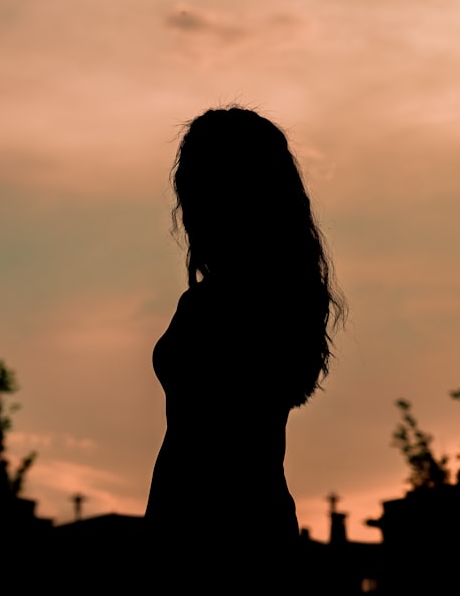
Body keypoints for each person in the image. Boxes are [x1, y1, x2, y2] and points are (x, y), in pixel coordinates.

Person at [145, 107, 344, 580]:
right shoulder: (273, 295)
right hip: (229, 529)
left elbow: (215, 440)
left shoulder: (237, 302)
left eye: (194, 183)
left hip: (218, 538)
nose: (186, 205)